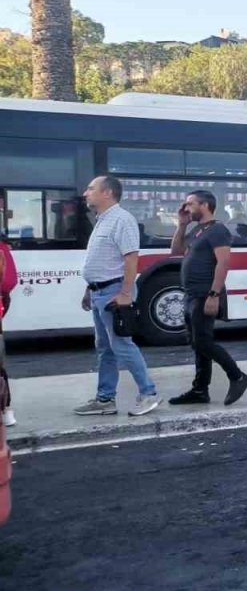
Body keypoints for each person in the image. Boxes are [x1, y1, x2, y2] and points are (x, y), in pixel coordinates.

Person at [73, 175, 160, 417]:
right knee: (105, 348)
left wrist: (124, 293)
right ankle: (105, 399)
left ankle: (149, 393)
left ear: (107, 193)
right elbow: (101, 260)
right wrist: (89, 289)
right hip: (100, 292)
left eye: (91, 188)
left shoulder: (122, 219)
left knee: (121, 345)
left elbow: (131, 257)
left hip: (114, 293)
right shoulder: (102, 220)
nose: (85, 193)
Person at [168, 190, 247, 406]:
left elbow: (223, 263)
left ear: (205, 205)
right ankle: (200, 390)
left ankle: (237, 376)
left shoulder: (218, 230)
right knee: (197, 343)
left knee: (203, 341)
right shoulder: (198, 230)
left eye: (190, 204)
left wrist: (214, 295)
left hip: (204, 293)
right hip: (190, 294)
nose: (186, 208)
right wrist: (181, 224)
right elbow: (175, 250)